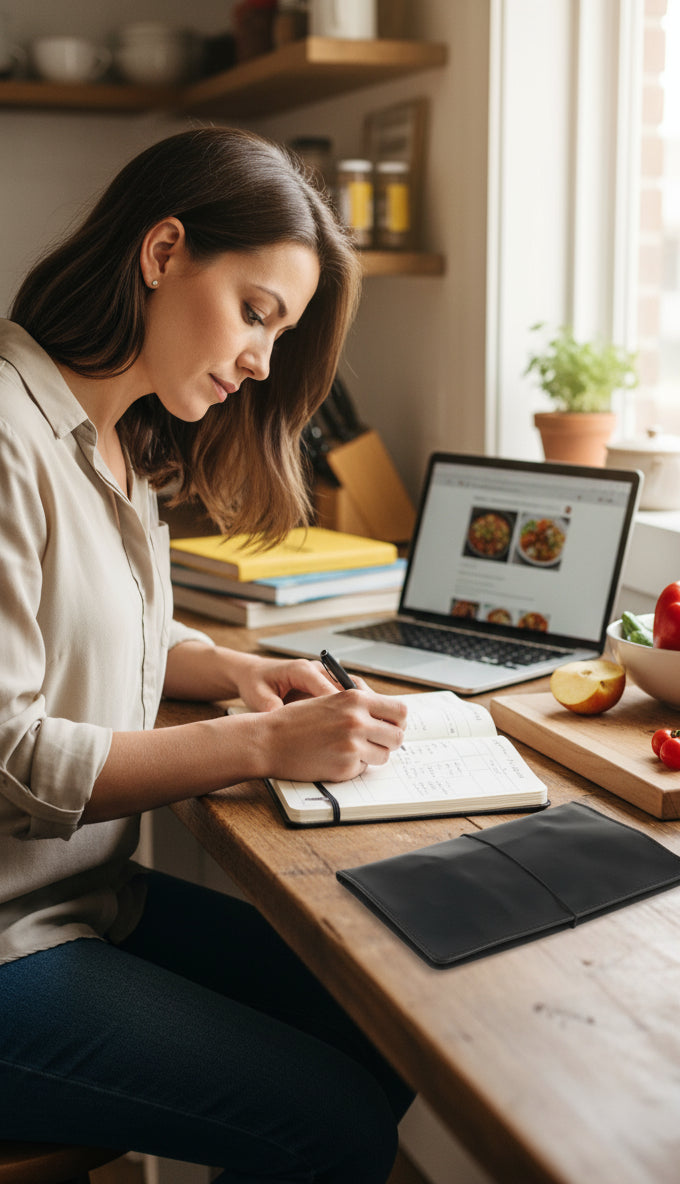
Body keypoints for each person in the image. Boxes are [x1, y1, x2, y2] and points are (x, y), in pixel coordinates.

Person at [0, 126, 412, 1183]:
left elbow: (101, 623)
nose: (263, 360)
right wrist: (262, 742)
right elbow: (12, 756)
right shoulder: (7, 434)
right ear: (163, 251)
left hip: (84, 904)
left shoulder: (118, 436)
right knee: (333, 1125)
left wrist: (234, 671)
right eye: (256, 312)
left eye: (280, 331)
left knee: (384, 1022)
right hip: (10, 941)